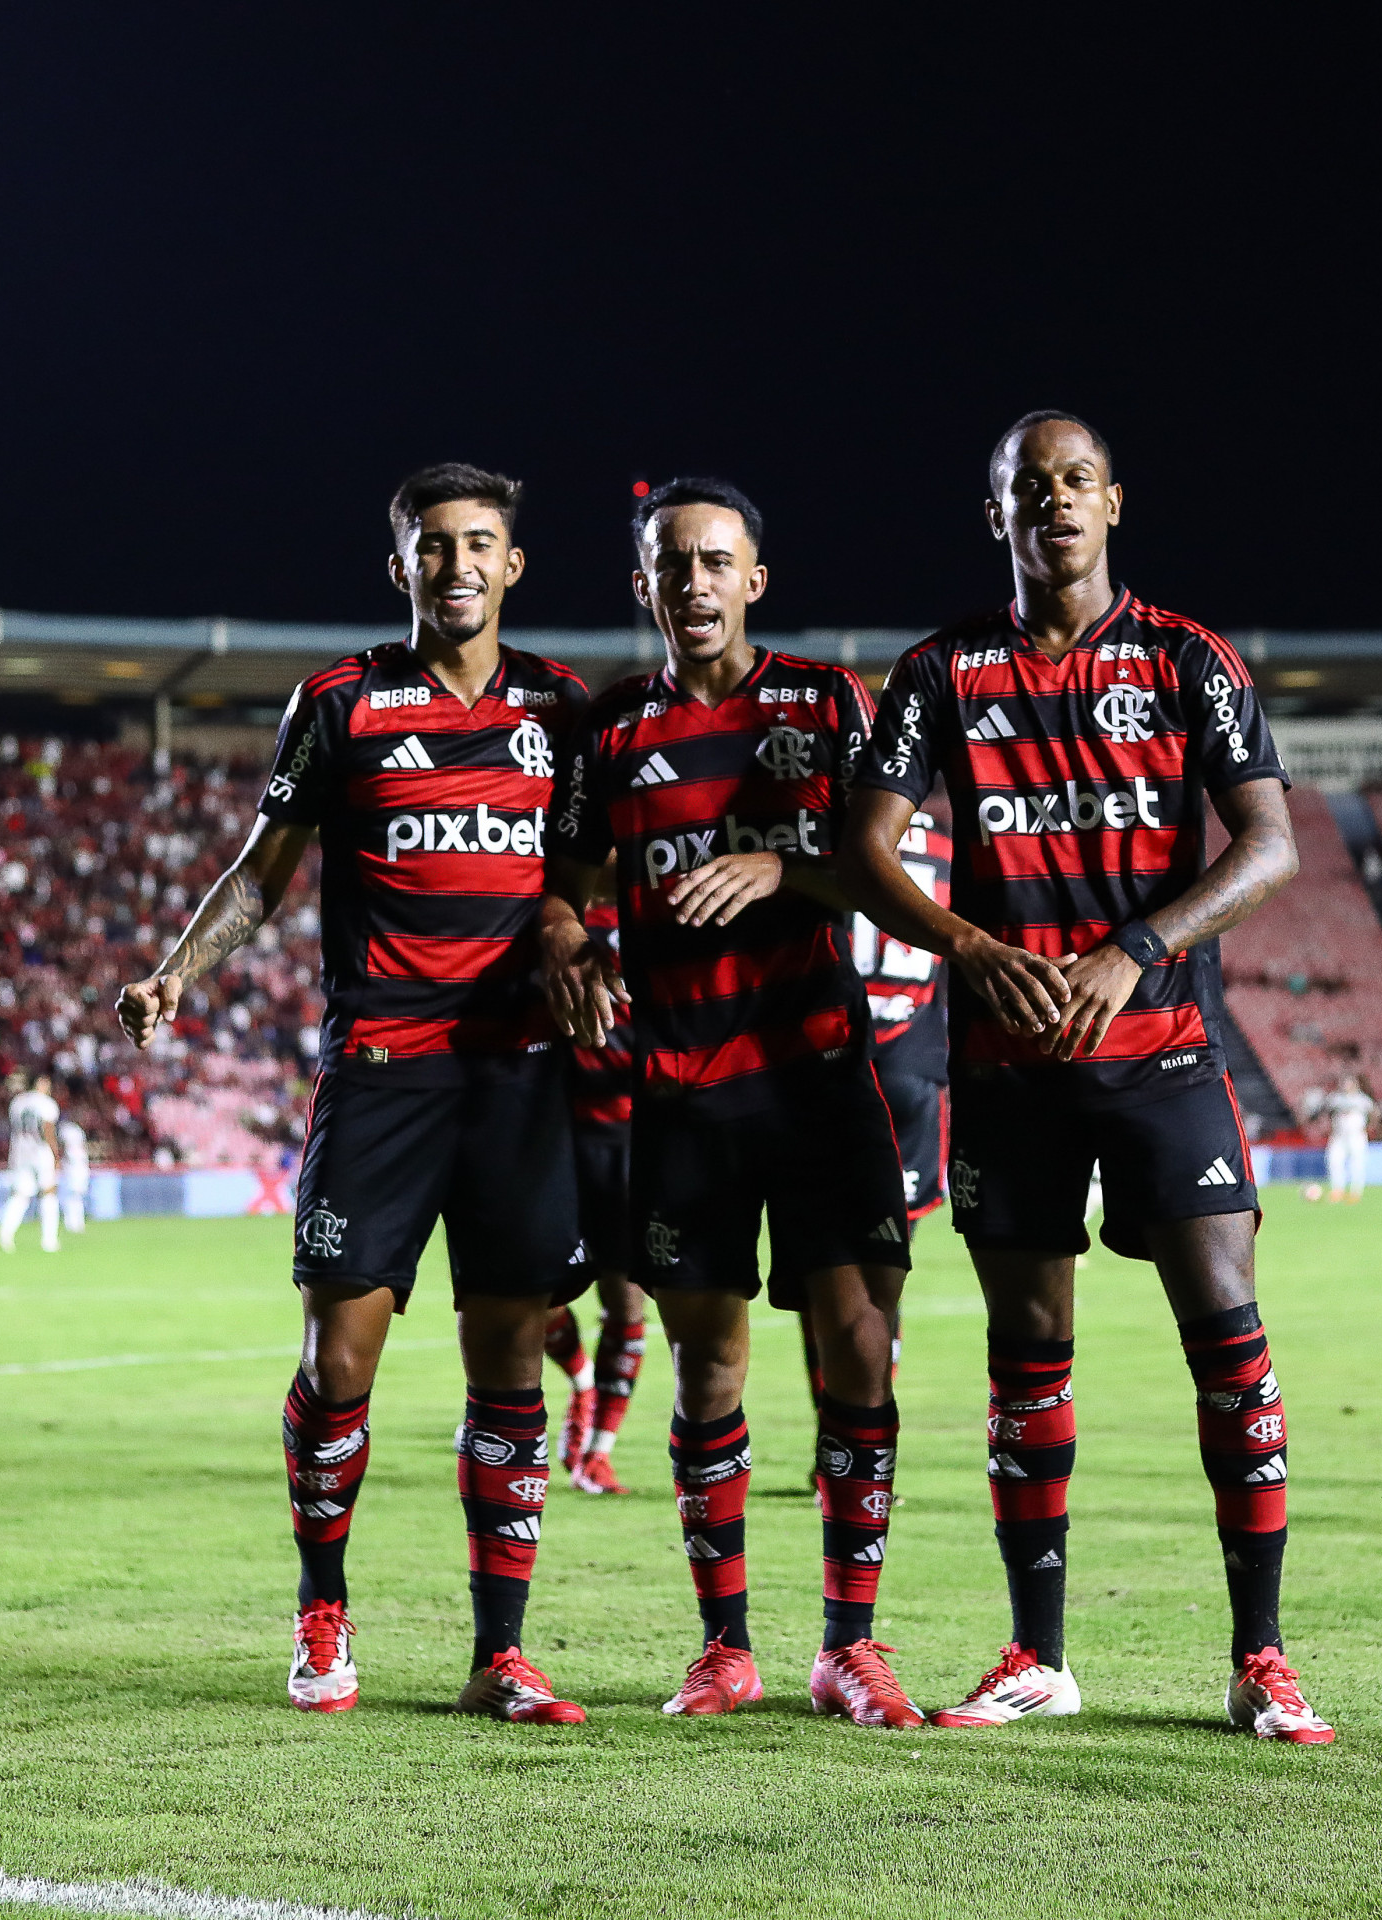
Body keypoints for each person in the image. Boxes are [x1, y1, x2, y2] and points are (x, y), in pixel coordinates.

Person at [842, 411, 1333, 1743]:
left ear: (1111, 501)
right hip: (1005, 1066)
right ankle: (1037, 1655)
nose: (1052, 503)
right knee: (1027, 1352)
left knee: (1224, 1328)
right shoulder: (942, 671)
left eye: (1073, 483)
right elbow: (862, 842)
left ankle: (1259, 1658)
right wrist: (967, 945)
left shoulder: (1184, 660)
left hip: (1161, 1050)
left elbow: (1269, 844)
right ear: (993, 516)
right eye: (1026, 488)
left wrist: (1136, 947)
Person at [118, 462, 588, 1725]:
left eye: (478, 543)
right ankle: (322, 1613)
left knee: (510, 1371)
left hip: (517, 1081)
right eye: (432, 546)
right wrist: (173, 975)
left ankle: (501, 1651)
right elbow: (262, 874)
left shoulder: (562, 707)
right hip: (382, 1074)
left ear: (511, 565)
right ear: (401, 568)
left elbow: (586, 884)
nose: (456, 565)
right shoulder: (340, 700)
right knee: (340, 1357)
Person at [542, 477, 923, 1728]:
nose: (694, 583)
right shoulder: (610, 731)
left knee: (855, 1349)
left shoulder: (825, 702)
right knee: (705, 1361)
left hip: (817, 1079)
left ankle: (848, 1646)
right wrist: (571, 938)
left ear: (755, 577)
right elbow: (571, 882)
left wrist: (780, 865)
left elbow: (890, 879)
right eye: (672, 565)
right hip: (683, 1096)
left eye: (716, 562)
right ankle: (724, 1647)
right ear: (641, 585)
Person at [798, 788, 953, 1443]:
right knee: (885, 1277)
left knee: (825, 1274)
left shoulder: (835, 832)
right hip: (913, 1068)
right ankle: (872, 1440)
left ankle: (835, 1436)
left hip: (833, 1060)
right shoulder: (948, 843)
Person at [545, 870, 648, 1495]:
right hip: (553, 1135)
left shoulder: (658, 913)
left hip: (633, 1139)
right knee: (530, 1300)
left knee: (626, 1302)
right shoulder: (550, 916)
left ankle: (598, 1451)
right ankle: (581, 1379)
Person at [0, 1072, 60, 1254]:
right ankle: (49, 1240)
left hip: (20, 1152)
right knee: (48, 1192)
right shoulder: (47, 1103)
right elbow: (47, 1129)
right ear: (40, 1084)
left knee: (20, 1194)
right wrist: (55, 1154)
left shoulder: (18, 1102)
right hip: (40, 1151)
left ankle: (5, 1234)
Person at [1322, 1074, 1374, 1201]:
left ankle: (1355, 1192)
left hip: (1356, 1135)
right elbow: (1328, 1112)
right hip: (1339, 1135)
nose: (1347, 1086)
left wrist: (1368, 1128)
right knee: (1334, 1161)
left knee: (1357, 1163)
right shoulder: (1335, 1099)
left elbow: (1373, 1113)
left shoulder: (1362, 1099)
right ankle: (1337, 1190)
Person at [57, 1112, 91, 1234]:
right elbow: (62, 1147)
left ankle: (76, 1223)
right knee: (72, 1196)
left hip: (78, 1164)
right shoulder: (67, 1129)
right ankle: (72, 1223)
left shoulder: (75, 1130)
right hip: (72, 1165)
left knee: (76, 1196)